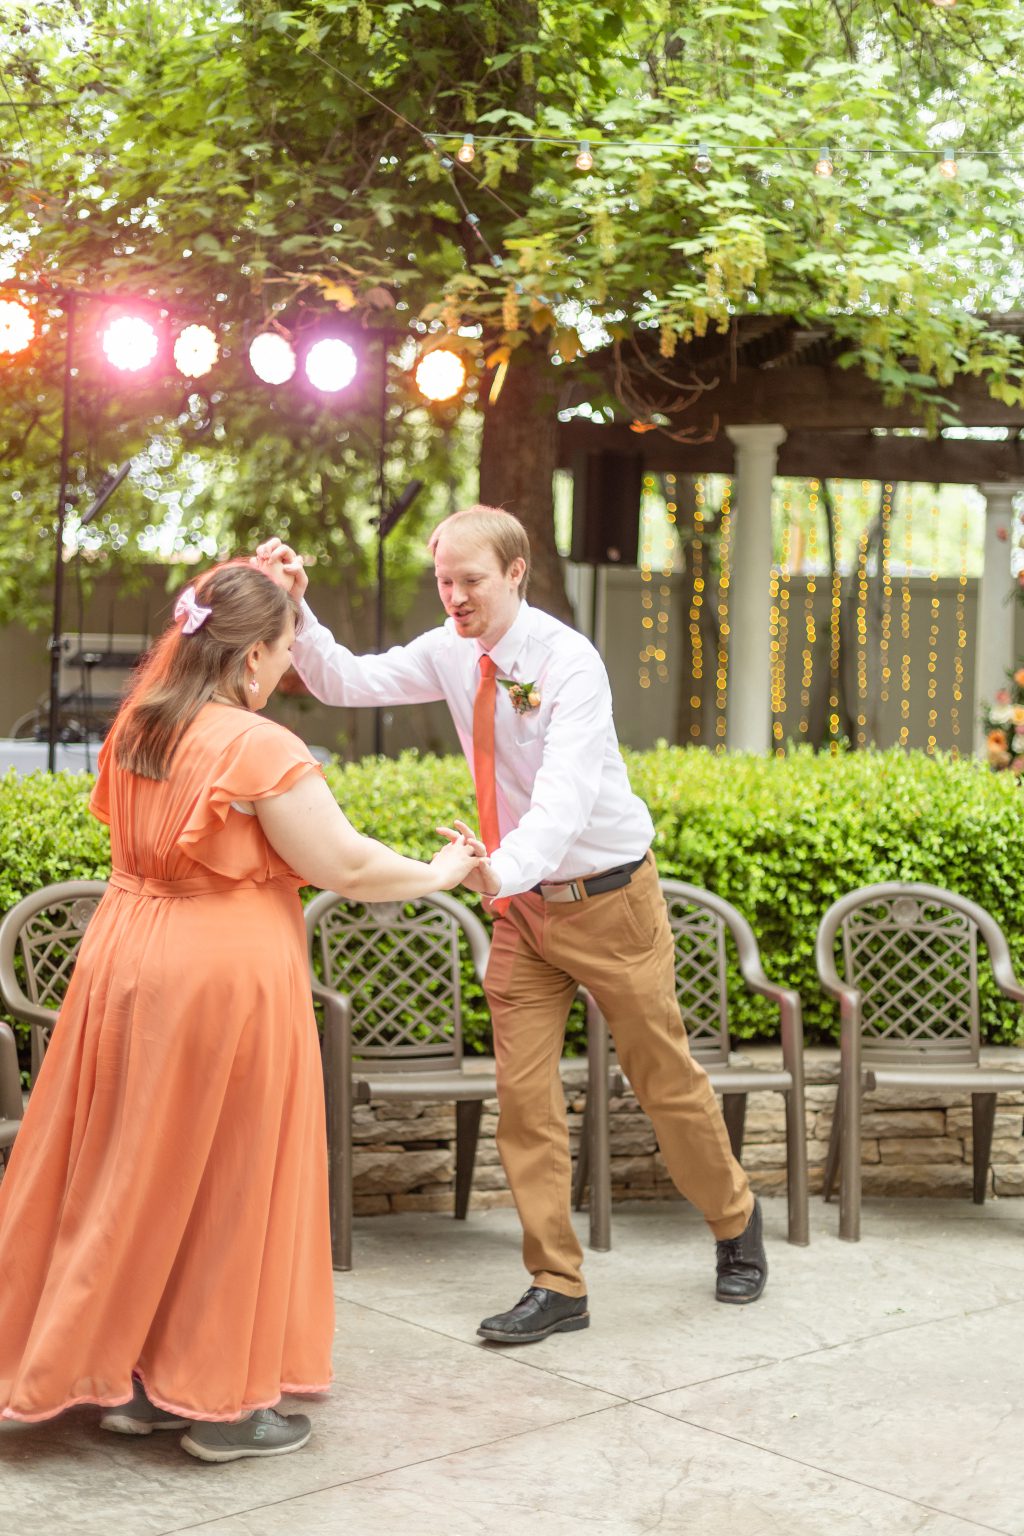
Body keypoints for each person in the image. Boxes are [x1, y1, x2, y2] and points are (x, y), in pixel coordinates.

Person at [0, 562, 481, 1457]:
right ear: (253, 653)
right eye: (288, 647)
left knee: (134, 1165)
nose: (288, 665)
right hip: (220, 974)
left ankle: (141, 1377)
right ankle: (219, 1399)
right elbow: (347, 865)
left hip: (125, 957)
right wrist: (442, 873)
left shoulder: (141, 724)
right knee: (227, 1174)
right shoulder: (256, 745)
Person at [254, 507, 767, 1346]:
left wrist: (501, 866)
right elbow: (347, 678)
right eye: (444, 582)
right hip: (523, 914)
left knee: (664, 1080)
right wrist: (300, 610)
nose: (453, 597)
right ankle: (556, 1283)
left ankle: (735, 1219)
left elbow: (564, 798)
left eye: (471, 581)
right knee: (525, 1101)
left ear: (517, 572)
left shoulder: (570, 664)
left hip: (609, 900)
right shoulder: (452, 650)